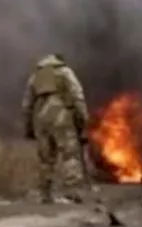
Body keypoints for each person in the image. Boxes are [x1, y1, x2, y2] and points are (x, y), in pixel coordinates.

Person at [21, 54, 92, 204]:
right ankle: (74, 193)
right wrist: (84, 120)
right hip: (60, 116)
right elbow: (77, 96)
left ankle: (45, 194)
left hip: (40, 118)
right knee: (69, 154)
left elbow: (26, 105)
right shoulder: (64, 72)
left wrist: (28, 128)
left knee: (46, 159)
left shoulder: (36, 76)